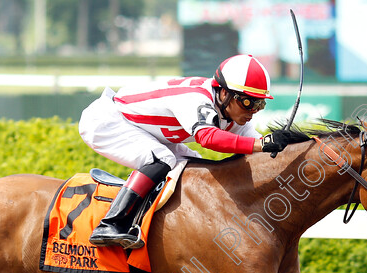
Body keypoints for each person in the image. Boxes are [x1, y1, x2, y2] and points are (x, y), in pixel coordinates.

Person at [78, 54, 290, 249]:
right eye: (247, 102)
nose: (252, 112)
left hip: (148, 132)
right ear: (224, 92)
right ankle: (111, 223)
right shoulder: (197, 99)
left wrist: (283, 145)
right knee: (163, 159)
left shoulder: (231, 109)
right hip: (110, 120)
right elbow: (207, 138)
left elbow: (260, 145)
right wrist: (261, 144)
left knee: (197, 168)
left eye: (259, 105)